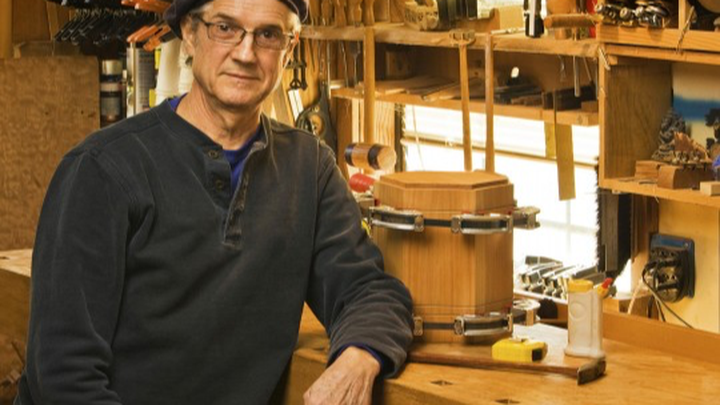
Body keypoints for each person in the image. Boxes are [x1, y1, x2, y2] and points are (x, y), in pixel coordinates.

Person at [14, 0, 414, 403]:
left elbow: (368, 290)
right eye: (225, 28)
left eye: (268, 34)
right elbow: (64, 376)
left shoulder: (309, 169)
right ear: (189, 33)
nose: (245, 53)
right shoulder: (102, 169)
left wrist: (359, 357)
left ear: (289, 48)